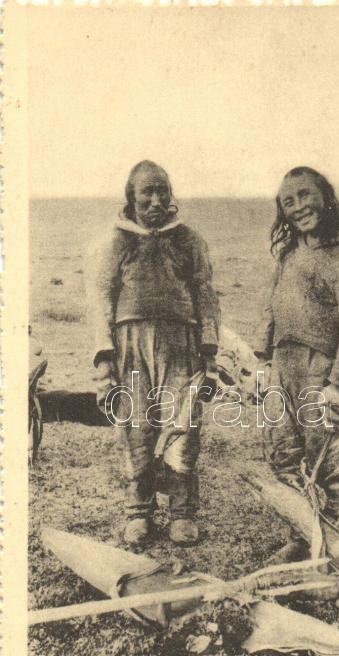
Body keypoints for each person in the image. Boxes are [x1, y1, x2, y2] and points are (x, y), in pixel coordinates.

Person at [87, 161, 220, 548]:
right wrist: (104, 356)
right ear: (131, 197)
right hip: (130, 344)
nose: (156, 200)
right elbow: (101, 299)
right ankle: (139, 511)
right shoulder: (116, 241)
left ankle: (182, 512)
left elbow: (206, 295)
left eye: (163, 191)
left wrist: (208, 352)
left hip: (181, 343)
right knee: (137, 426)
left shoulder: (189, 240)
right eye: (147, 192)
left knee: (184, 426)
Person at [256, 166, 339, 534]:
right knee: (286, 458)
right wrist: (264, 363)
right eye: (288, 202)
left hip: (323, 373)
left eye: (305, 195)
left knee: (329, 464)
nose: (298, 207)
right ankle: (306, 537)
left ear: (325, 197)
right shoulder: (290, 254)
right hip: (285, 370)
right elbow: (274, 307)